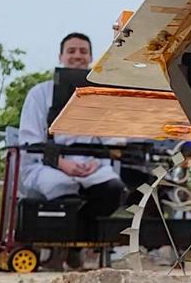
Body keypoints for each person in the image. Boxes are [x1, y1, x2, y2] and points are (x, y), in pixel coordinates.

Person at [18, 32, 126, 269]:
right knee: (63, 187)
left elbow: (113, 137)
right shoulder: (39, 94)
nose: (77, 56)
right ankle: (59, 249)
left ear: (90, 57)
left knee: (113, 189)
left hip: (91, 165)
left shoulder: (100, 94)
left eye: (83, 51)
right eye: (72, 51)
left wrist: (97, 162)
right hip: (47, 166)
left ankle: (81, 245)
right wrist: (61, 163)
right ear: (61, 56)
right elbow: (29, 140)